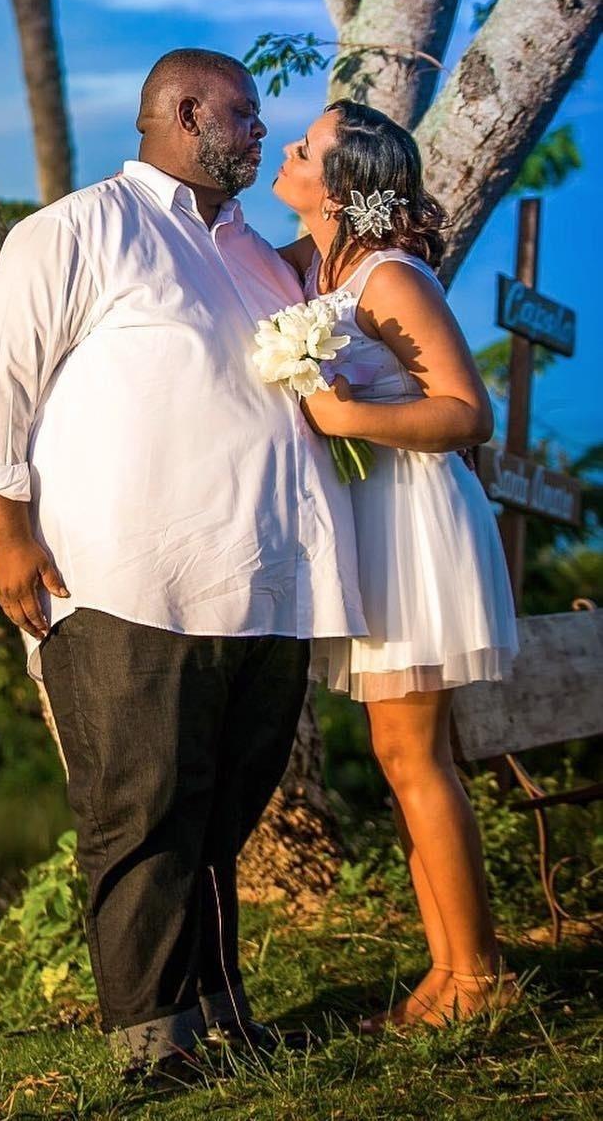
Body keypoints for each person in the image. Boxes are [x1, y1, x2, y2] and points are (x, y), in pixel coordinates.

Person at [0, 48, 366, 1080]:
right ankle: (151, 1043)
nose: (258, 134)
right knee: (139, 812)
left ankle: (221, 1013)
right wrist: (9, 537)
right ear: (182, 114)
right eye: (241, 116)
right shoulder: (76, 230)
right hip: (123, 581)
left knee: (222, 813)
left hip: (264, 585)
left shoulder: (259, 258)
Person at [274, 99, 521, 1030]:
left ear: (340, 188)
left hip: (414, 521)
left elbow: (466, 413)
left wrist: (346, 420)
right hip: (369, 521)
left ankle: (479, 978)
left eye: (306, 147)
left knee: (412, 755)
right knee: (400, 756)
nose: (288, 150)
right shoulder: (315, 265)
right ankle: (448, 970)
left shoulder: (388, 276)